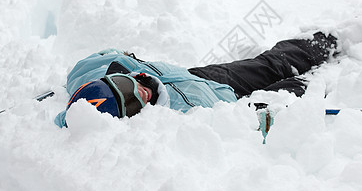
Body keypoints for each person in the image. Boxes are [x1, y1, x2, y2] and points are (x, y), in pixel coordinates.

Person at [54, 32, 337, 128]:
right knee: (289, 93)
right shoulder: (167, 124)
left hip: (201, 78)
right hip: (225, 108)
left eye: (127, 87)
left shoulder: (97, 74)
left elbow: (88, 68)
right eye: (133, 105)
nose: (141, 93)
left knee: (269, 64)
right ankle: (325, 77)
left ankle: (330, 40)